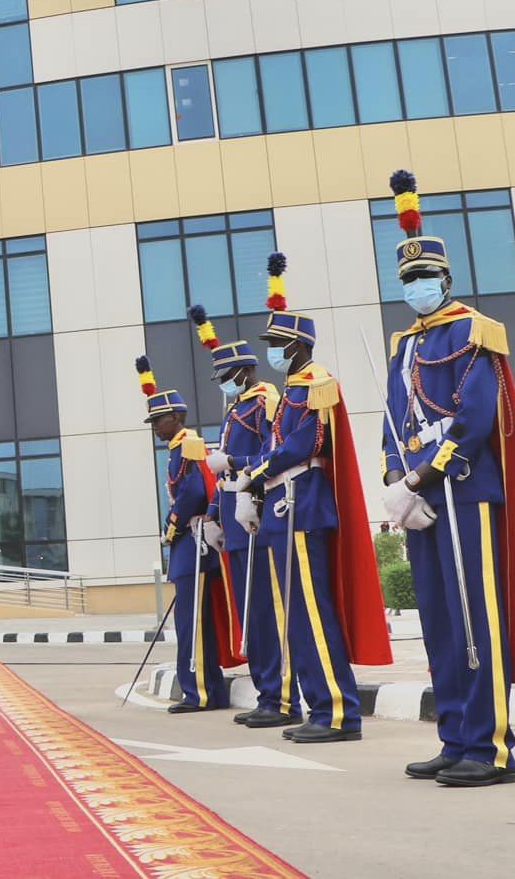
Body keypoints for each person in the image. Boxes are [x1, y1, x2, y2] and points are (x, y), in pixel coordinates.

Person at [379, 170, 515, 788]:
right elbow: (392, 421)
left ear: (446, 278)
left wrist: (422, 478)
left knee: (475, 621)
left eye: (423, 278)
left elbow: (477, 415)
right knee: (438, 621)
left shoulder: (475, 330)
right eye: (407, 280)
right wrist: (395, 481)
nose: (416, 288)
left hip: (464, 489)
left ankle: (490, 748)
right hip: (421, 498)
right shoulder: (404, 344)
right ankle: (455, 735)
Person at [242, 251, 391, 744]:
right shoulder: (290, 391)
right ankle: (319, 706)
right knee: (299, 620)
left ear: (299, 346)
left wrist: (255, 473)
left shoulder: (317, 385)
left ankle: (337, 712)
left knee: (313, 613)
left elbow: (303, 445)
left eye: (279, 344)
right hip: (284, 510)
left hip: (303, 506)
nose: (273, 352)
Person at [189, 304, 291, 728]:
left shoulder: (263, 399)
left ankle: (281, 694)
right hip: (233, 513)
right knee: (249, 608)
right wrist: (213, 513)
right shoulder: (235, 409)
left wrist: (241, 474)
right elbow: (222, 472)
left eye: (227, 377)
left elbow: (271, 453)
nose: (225, 385)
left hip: (257, 509)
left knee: (268, 607)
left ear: (245, 372)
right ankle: (266, 690)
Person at [141, 357, 238, 712]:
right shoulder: (177, 448)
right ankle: (205, 690)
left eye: (158, 420)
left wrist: (171, 525)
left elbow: (195, 492)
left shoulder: (188, 445)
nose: (155, 427)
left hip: (193, 543)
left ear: (176, 418)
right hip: (189, 543)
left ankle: (199, 692)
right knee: (193, 622)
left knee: (192, 623)